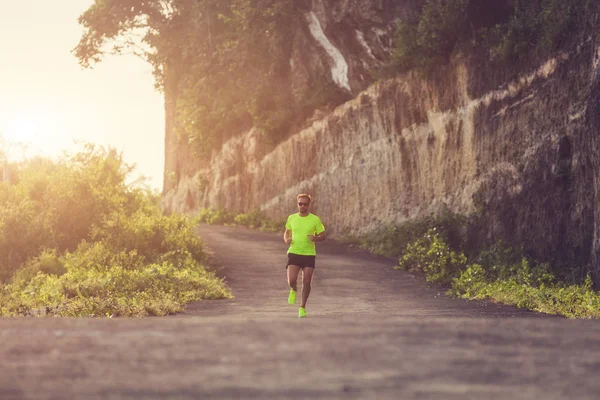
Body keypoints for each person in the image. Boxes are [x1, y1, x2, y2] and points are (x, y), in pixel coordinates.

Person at [283, 194, 326, 318]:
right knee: (291, 280)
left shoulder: (315, 220)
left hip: (309, 254)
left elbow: (323, 235)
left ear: (309, 205)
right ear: (297, 204)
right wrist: (287, 239)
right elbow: (286, 233)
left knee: (307, 282)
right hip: (294, 252)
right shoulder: (291, 218)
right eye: (300, 204)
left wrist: (316, 238)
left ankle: (302, 307)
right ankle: (294, 289)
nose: (302, 206)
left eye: (305, 204)